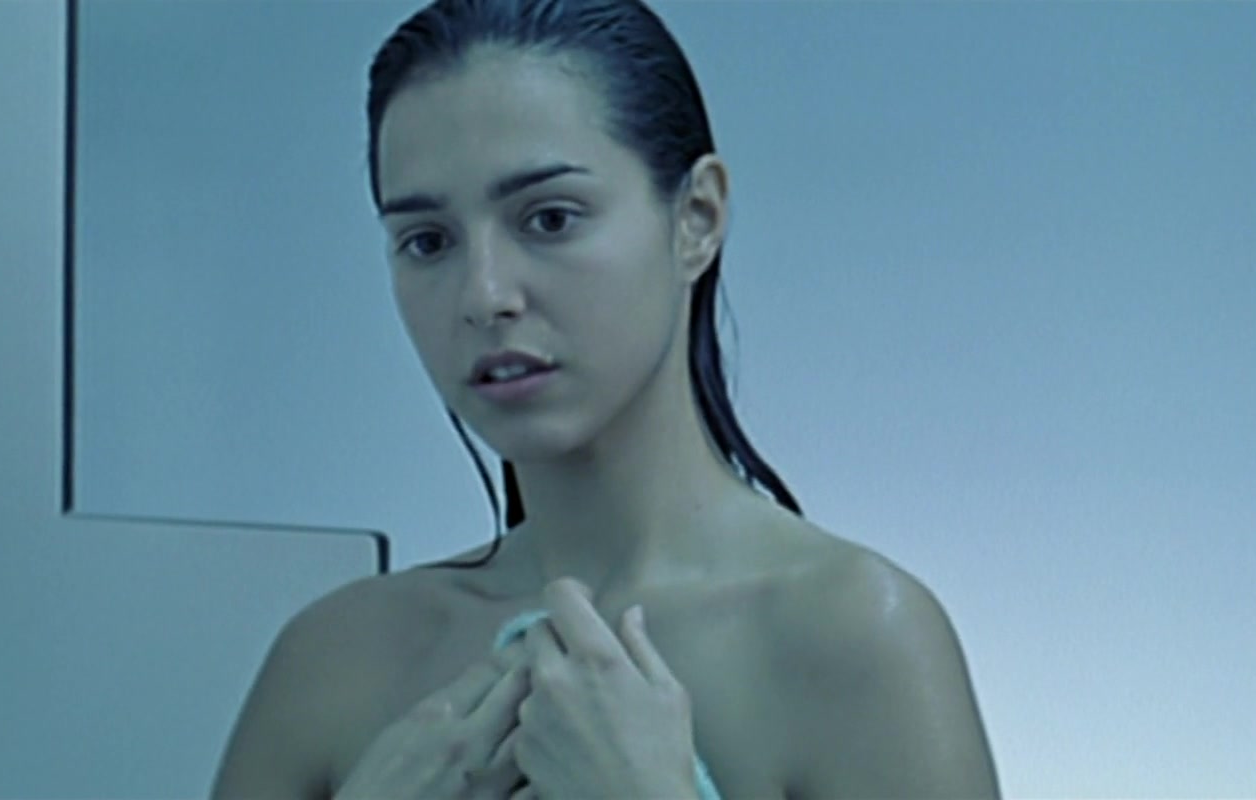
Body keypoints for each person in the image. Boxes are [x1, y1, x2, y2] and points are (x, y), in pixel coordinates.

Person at [212, 1, 999, 797]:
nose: (484, 295)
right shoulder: (331, 663)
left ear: (696, 218)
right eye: (428, 242)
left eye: (550, 219)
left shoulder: (854, 641)